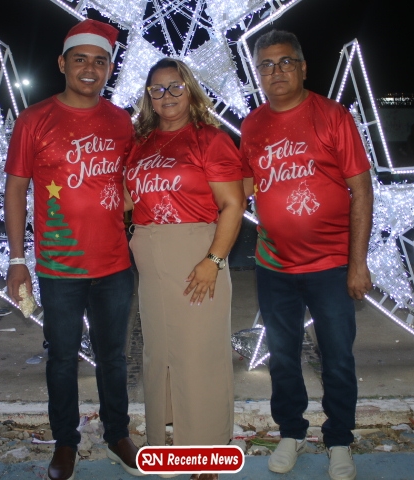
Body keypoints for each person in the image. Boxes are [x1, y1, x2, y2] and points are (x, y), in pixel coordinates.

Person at [4, 20, 141, 480]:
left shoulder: (120, 121)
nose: (90, 68)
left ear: (109, 69)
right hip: (58, 266)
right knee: (61, 358)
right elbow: (16, 189)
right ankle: (65, 442)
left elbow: (131, 183)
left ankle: (117, 434)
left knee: (113, 357)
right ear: (62, 64)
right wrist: (17, 261)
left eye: (100, 61)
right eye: (80, 59)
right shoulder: (35, 119)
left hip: (115, 265)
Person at [240, 30, 373, 480]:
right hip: (273, 266)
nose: (276, 71)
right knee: (282, 356)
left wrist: (358, 263)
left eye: (285, 62)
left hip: (331, 266)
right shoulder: (253, 125)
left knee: (337, 358)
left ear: (302, 67)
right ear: (258, 73)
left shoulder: (333, 116)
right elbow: (243, 186)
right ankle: (291, 433)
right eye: (266, 65)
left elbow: (361, 190)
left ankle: (339, 440)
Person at [125, 58, 245, 480]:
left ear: (190, 90)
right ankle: (168, 444)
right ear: (148, 97)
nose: (167, 96)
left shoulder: (210, 139)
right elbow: (127, 200)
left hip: (198, 254)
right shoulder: (140, 143)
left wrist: (214, 260)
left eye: (175, 86)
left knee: (199, 354)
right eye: (157, 89)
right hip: (150, 257)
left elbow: (233, 204)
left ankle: (208, 451)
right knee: (160, 354)